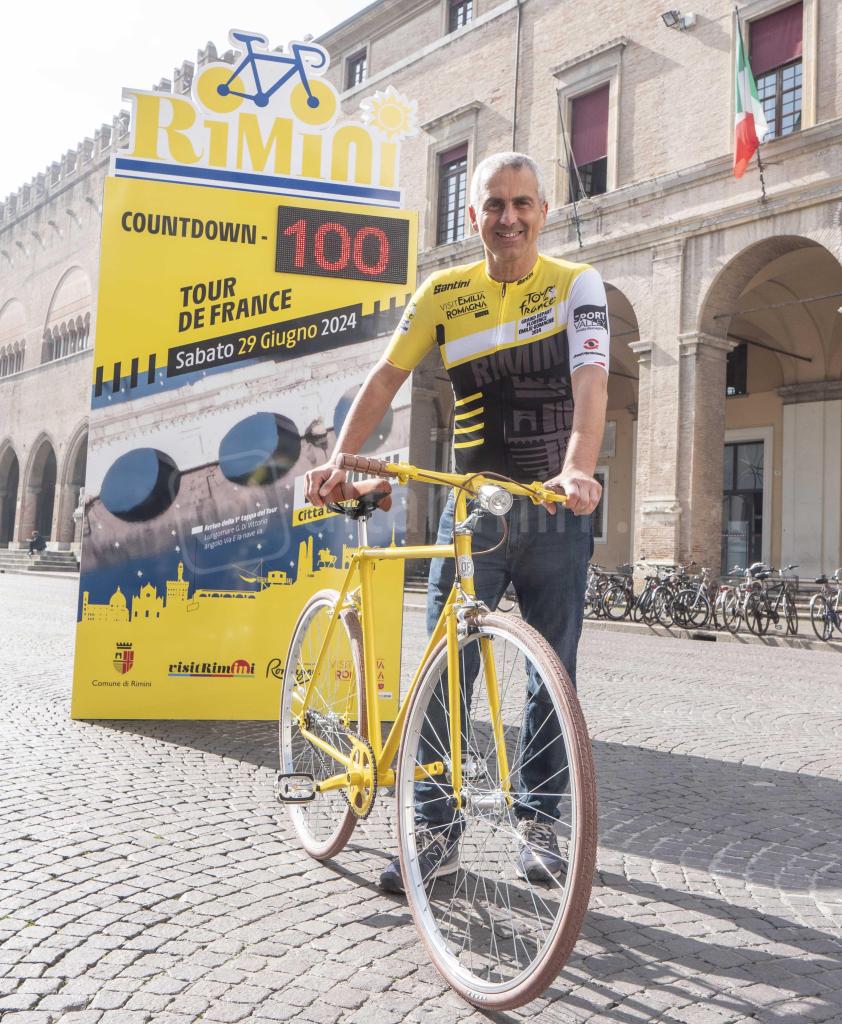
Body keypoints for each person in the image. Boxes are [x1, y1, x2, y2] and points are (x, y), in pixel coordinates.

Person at [305, 151, 609, 892]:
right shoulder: (443, 292)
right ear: (473, 216)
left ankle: (540, 826)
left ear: (544, 212)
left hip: (553, 510)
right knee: (446, 673)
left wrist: (577, 467)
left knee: (552, 677)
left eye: (522, 203)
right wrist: (341, 458)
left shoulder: (577, 284)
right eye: (494, 204)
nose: (509, 217)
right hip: (473, 508)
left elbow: (591, 379)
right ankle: (435, 835)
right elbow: (386, 377)